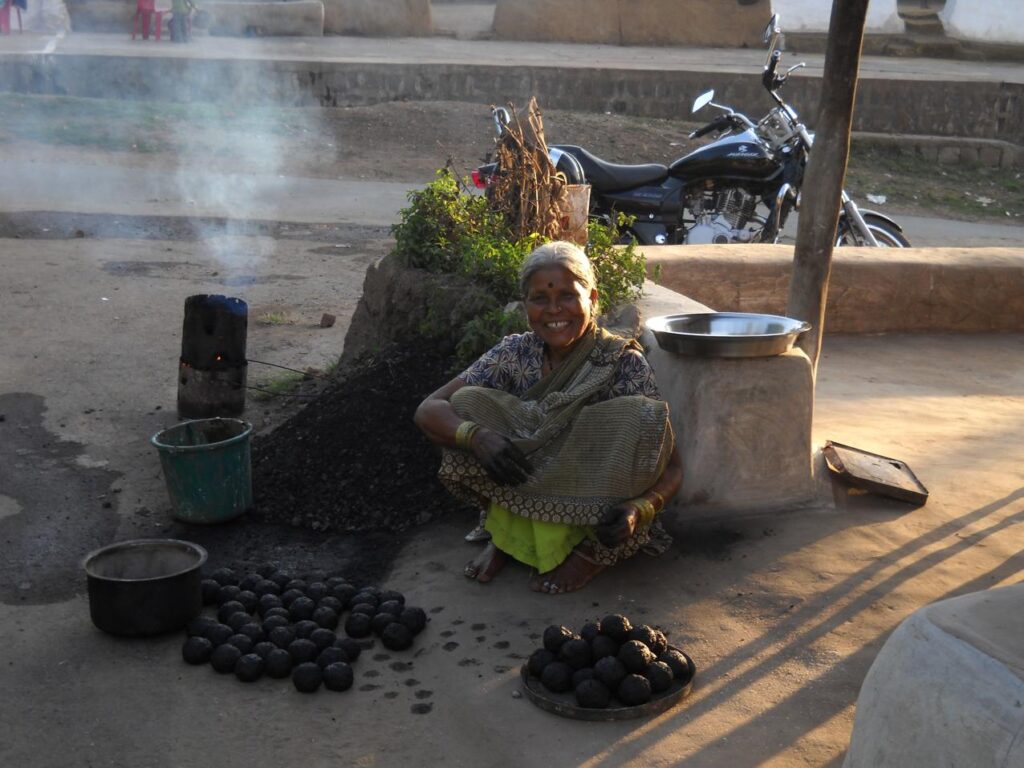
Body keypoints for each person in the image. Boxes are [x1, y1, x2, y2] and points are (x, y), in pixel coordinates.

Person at [414, 241, 683, 594]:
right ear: (526, 306)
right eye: (540, 298)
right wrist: (477, 436)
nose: (555, 309)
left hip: (590, 493)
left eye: (568, 296)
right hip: (525, 479)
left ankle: (588, 554)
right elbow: (428, 409)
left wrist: (639, 510)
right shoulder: (514, 353)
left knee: (637, 415)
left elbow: (673, 466)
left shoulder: (621, 362)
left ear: (593, 298)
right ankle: (507, 535)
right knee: (466, 405)